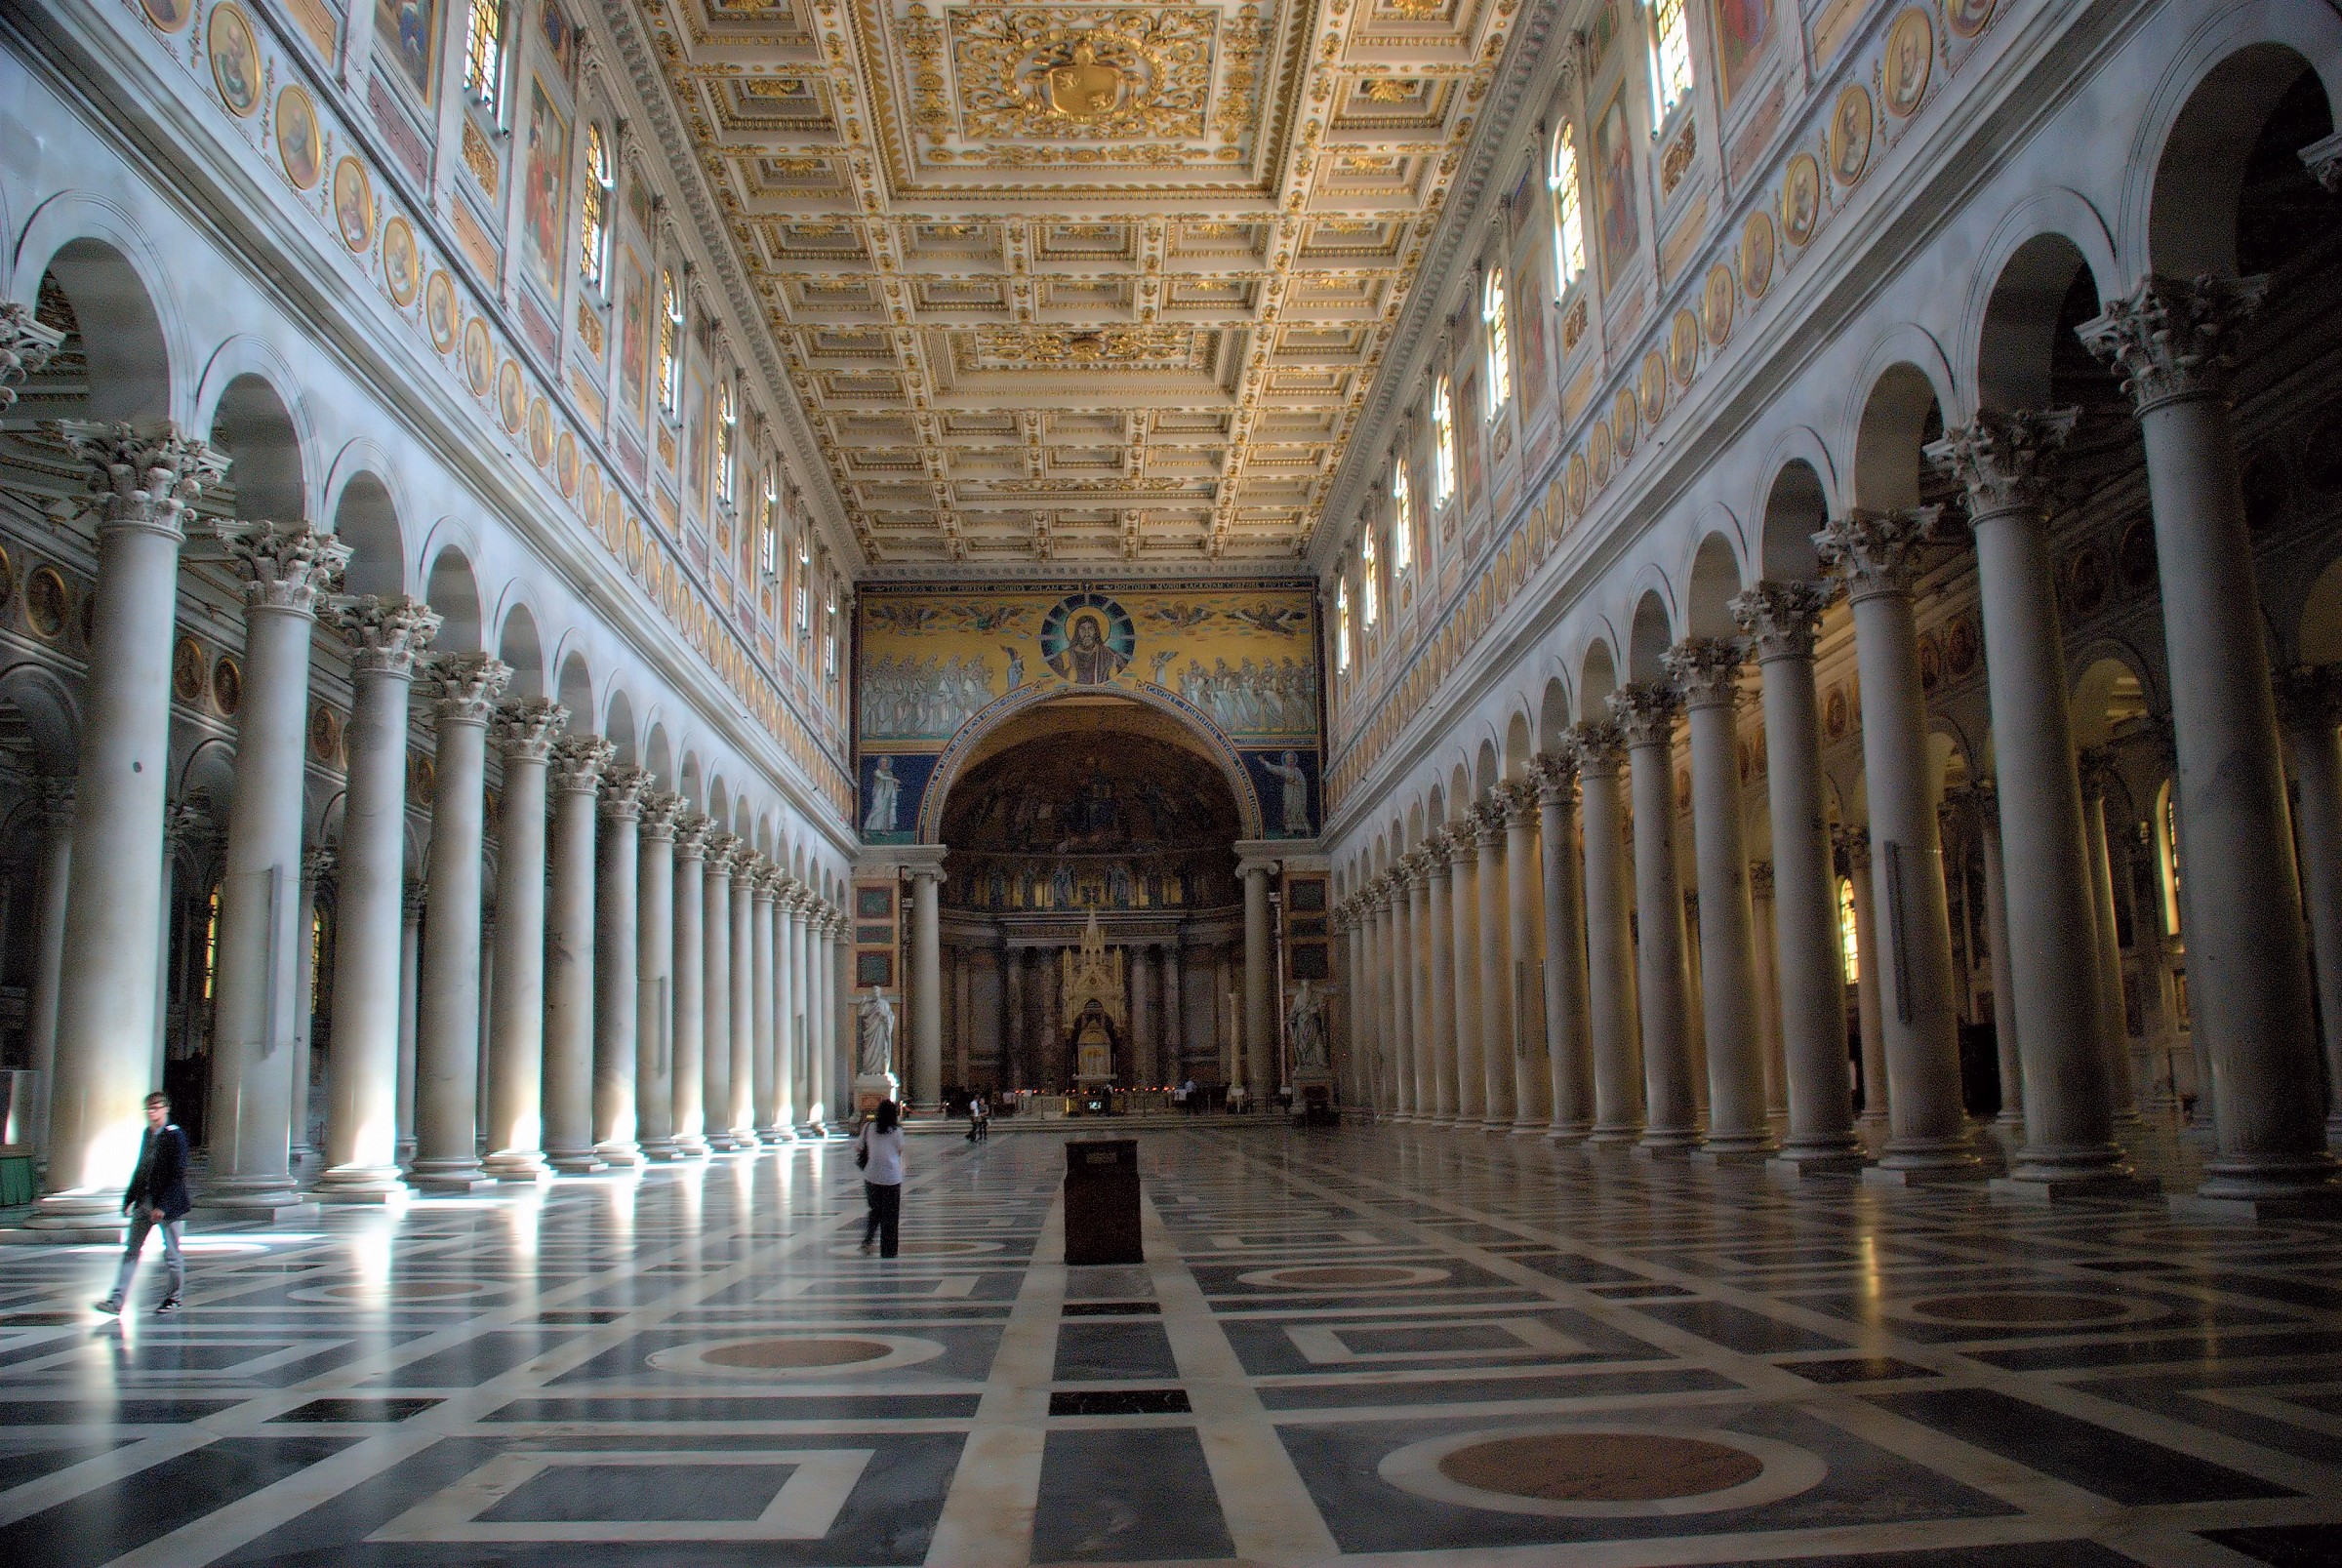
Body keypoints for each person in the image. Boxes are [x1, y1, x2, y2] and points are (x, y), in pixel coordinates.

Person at [98, 1092, 191, 1316]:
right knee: (131, 1251)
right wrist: (129, 1198)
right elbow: (141, 1169)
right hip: (144, 1202)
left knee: (171, 1255)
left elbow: (177, 1174)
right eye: (149, 1108)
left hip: (167, 1206)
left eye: (156, 1108)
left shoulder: (174, 1136)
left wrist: (164, 1206)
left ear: (166, 1109)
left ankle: (174, 1298)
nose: (152, 1112)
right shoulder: (147, 1135)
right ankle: (117, 1300)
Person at [857, 1100, 905, 1258]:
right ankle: (889, 1250)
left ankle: (867, 1240)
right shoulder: (897, 1131)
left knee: (875, 1211)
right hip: (891, 1178)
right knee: (890, 1216)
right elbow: (899, 1151)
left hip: (871, 1176)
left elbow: (858, 1147)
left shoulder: (868, 1128)